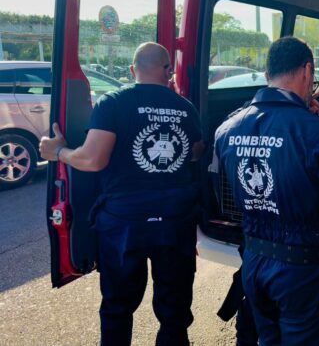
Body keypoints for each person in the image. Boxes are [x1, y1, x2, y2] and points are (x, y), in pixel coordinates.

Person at [40, 42, 204, 346]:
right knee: (175, 311)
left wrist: (58, 151)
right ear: (169, 71)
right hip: (175, 221)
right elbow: (195, 153)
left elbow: (93, 160)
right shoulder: (186, 107)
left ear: (133, 70)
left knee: (117, 308)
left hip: (125, 224)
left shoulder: (114, 102)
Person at [214, 37, 319, 346]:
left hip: (254, 264)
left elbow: (224, 195)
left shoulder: (227, 129)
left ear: (266, 75)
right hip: (304, 274)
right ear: (308, 71)